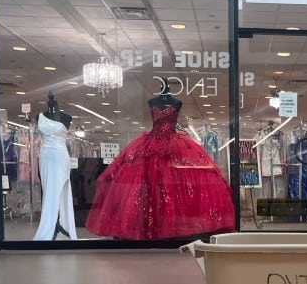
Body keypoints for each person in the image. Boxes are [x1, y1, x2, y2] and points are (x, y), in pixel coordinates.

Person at [85, 85, 234, 240]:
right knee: (147, 187)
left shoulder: (177, 102)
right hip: (151, 143)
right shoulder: (152, 101)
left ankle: (169, 230)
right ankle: (149, 229)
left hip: (174, 144)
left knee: (173, 189)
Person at [33, 92, 77, 240]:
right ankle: (49, 226)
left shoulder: (67, 118)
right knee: (48, 191)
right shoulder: (39, 116)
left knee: (62, 190)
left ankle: (63, 224)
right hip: (45, 156)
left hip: (60, 156)